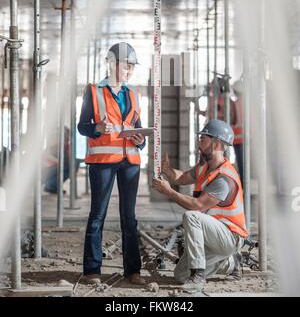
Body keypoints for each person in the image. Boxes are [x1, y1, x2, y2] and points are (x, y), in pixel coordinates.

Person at [78, 42, 146, 286]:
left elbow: (138, 128)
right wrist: (95, 128)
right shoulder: (94, 91)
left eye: (131, 67)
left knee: (129, 217)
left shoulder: (134, 94)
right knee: (98, 215)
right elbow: (82, 126)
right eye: (124, 66)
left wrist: (141, 141)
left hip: (131, 162)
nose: (127, 71)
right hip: (103, 161)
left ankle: (133, 270)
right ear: (110, 63)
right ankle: (91, 270)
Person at [153, 119, 248, 294]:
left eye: (203, 139)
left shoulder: (224, 178)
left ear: (217, 144)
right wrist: (168, 172)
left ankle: (198, 276)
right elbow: (182, 178)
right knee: (180, 275)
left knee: (191, 216)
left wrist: (169, 193)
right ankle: (231, 263)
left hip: (229, 237)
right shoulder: (205, 168)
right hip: (213, 236)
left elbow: (197, 205)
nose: (198, 143)